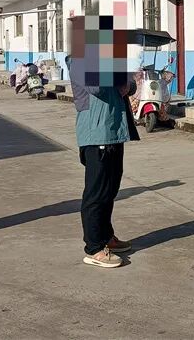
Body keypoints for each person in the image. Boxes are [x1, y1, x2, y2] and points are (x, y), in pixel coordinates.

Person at [71, 61, 140, 269]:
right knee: (97, 192)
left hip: (114, 130)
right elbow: (96, 87)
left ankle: (106, 236)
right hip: (96, 134)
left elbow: (130, 85)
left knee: (110, 189)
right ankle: (94, 247)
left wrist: (127, 82)